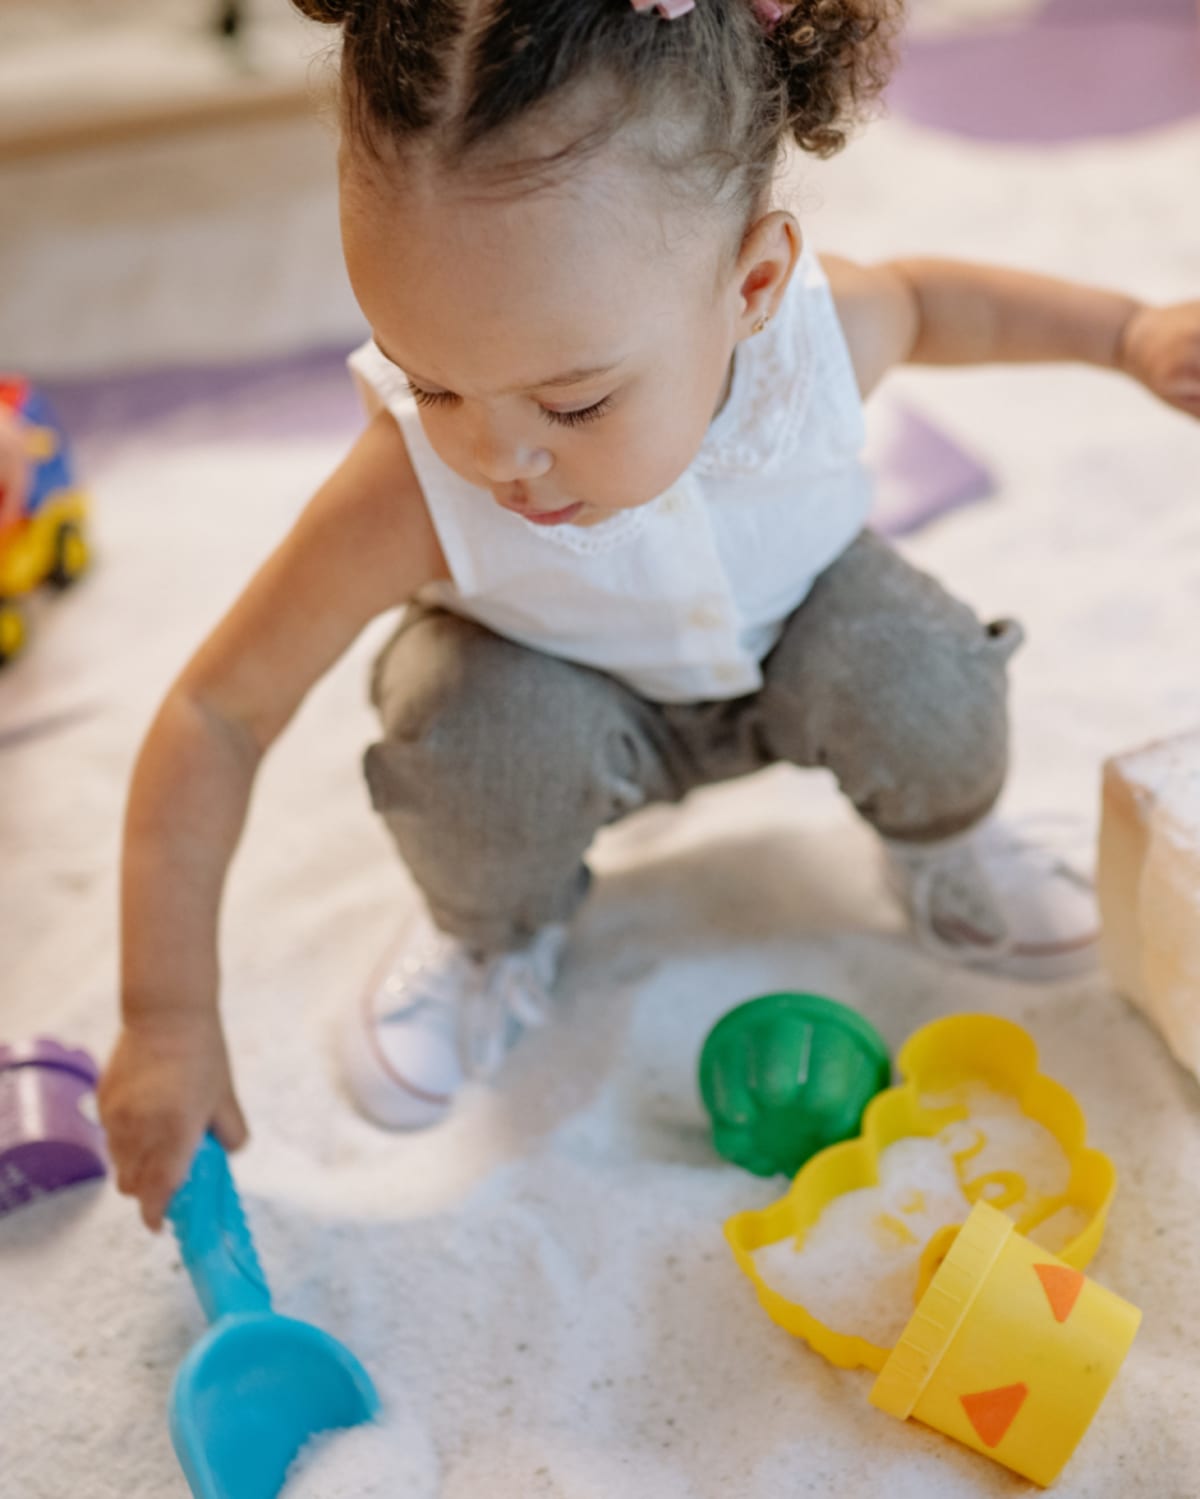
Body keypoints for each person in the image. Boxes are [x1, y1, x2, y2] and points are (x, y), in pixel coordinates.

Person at [98, 0, 1200, 1228]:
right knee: (471, 744)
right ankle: (494, 938)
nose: (498, 453)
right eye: (433, 379)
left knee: (926, 677)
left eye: (574, 404)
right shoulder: (418, 483)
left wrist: (1127, 333)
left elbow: (950, 307)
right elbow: (216, 709)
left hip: (797, 649)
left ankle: (946, 851)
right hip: (563, 707)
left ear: (753, 285)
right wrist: (166, 1017)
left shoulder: (819, 334)